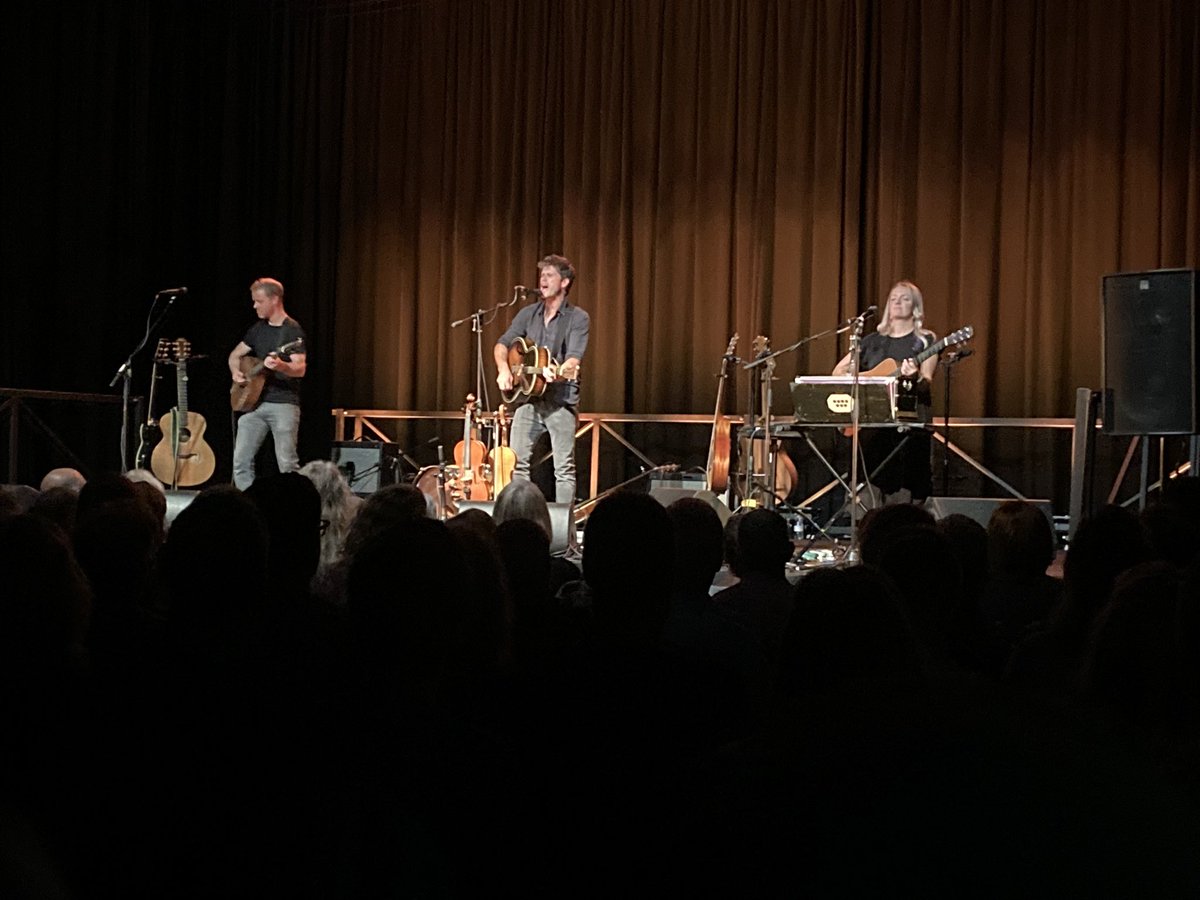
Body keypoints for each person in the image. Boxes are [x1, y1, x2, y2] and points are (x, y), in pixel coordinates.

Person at [494, 254, 589, 505]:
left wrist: (557, 372)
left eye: (549, 275)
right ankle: (520, 517)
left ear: (564, 282)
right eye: (542, 275)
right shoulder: (528, 314)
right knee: (517, 464)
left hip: (560, 401)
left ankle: (563, 524)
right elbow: (502, 344)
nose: (542, 280)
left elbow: (573, 361)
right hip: (528, 400)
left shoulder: (578, 318)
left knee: (564, 469)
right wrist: (503, 369)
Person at [833, 280, 938, 504]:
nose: (897, 302)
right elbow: (838, 371)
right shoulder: (871, 341)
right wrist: (858, 377)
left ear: (915, 306)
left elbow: (926, 381)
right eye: (893, 298)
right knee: (866, 491)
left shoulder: (925, 340)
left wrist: (914, 376)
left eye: (905, 298)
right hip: (871, 430)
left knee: (904, 496)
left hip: (906, 430)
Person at [228, 278, 308, 490]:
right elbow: (235, 355)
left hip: (283, 404)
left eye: (259, 301)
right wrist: (236, 372)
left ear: (274, 299)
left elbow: (300, 368)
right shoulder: (257, 329)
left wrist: (281, 366)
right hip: (254, 405)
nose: (255, 305)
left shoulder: (292, 331)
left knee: (287, 464)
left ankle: (295, 503)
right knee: (240, 462)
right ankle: (248, 502)